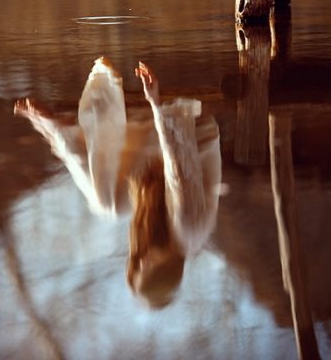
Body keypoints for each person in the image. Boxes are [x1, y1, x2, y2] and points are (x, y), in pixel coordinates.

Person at [13, 58, 222, 309]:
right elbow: (180, 168)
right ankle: (64, 130)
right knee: (109, 197)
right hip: (189, 130)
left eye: (137, 266)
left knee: (106, 203)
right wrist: (156, 103)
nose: (142, 261)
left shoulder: (153, 239)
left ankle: (60, 131)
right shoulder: (190, 230)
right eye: (148, 269)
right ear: (166, 272)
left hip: (158, 153)